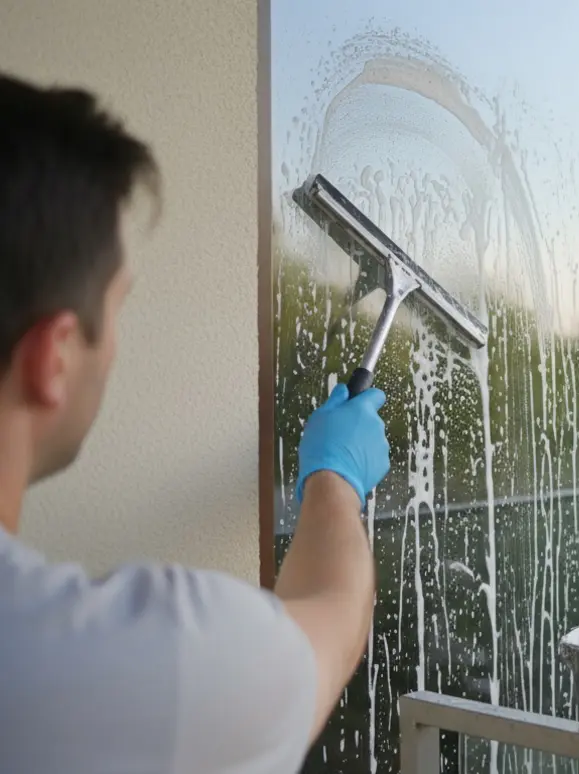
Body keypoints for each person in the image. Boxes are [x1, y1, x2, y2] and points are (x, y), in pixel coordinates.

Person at [0, 74, 391, 772]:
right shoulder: (128, 672)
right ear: (53, 356)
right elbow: (331, 619)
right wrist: (336, 476)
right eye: (119, 305)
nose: (116, 340)